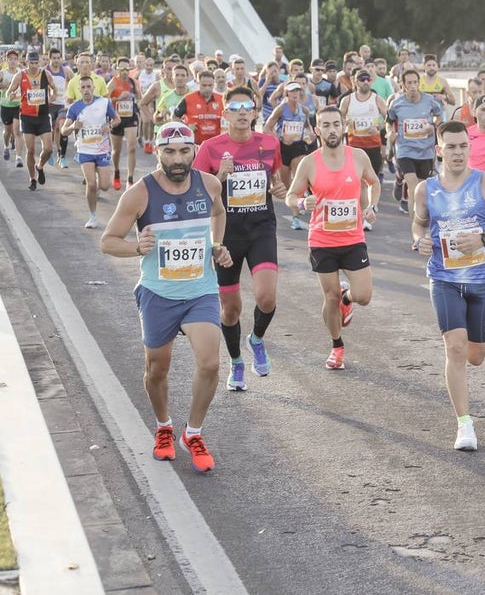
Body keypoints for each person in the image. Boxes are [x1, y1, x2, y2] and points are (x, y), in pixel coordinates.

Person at [99, 121, 232, 474]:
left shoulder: (209, 184)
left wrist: (216, 246)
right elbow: (107, 241)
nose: (177, 159)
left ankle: (194, 432)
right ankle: (163, 426)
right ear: (157, 151)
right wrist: (135, 247)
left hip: (200, 290)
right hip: (158, 292)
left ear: (193, 152)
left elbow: (218, 213)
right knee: (157, 370)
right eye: (169, 152)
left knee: (210, 363)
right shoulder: (139, 194)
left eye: (184, 151)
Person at [412, 121, 485, 451]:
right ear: (439, 150)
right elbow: (418, 224)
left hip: (483, 280)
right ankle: (464, 425)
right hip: (443, 278)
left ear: (468, 149)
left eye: (462, 146)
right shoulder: (425, 190)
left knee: (476, 355)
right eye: (451, 146)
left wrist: (483, 239)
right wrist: (420, 241)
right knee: (455, 347)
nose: (457, 152)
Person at [192, 87, 286, 391]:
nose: (243, 112)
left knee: (266, 297)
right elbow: (194, 196)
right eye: (235, 107)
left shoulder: (270, 143)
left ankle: (256, 339)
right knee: (230, 309)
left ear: (256, 112)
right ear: (225, 114)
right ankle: (236, 362)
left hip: (261, 227)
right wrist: (219, 176)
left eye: (248, 106)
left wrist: (279, 189)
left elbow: (276, 179)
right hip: (226, 233)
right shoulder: (210, 148)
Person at [284, 106, 380, 370]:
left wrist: (372, 207)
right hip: (322, 240)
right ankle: (337, 346)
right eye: (325, 125)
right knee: (330, 296)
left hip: (352, 237)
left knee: (364, 295)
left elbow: (374, 182)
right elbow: (290, 196)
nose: (332, 130)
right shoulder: (309, 162)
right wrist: (303, 203)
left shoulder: (358, 157)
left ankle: (348, 301)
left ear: (344, 126)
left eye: (336, 124)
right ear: (317, 130)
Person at [60, 76, 120, 228]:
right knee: (91, 184)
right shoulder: (74, 107)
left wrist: (109, 125)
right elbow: (63, 131)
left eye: (89, 87)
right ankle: (92, 216)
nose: (86, 90)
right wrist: (74, 126)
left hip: (102, 150)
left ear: (93, 88)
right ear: (79, 90)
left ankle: (99, 185)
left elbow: (117, 119)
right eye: (83, 87)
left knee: (105, 186)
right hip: (85, 150)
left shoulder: (104, 103)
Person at [387, 68, 444, 216]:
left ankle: (419, 219)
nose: (412, 86)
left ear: (419, 84)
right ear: (403, 85)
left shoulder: (429, 100)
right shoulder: (397, 104)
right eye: (409, 83)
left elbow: (439, 116)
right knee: (413, 186)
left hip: (425, 150)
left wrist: (433, 126)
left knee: (421, 188)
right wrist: (390, 132)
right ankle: (415, 227)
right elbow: (389, 121)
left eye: (415, 82)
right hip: (405, 150)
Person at [264, 79, 316, 231]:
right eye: (292, 92)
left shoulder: (304, 110)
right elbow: (267, 128)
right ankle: (296, 214)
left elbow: (308, 128)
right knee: (287, 185)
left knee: (299, 170)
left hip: (298, 147)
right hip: (283, 148)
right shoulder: (281, 109)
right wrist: (280, 138)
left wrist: (311, 135)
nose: (295, 94)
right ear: (286, 94)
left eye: (297, 91)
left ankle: (299, 211)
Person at [5, 50, 56, 191]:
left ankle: (39, 166)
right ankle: (32, 179)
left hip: (43, 116)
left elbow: (54, 89)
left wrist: (52, 95)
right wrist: (12, 94)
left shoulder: (46, 74)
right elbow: (9, 92)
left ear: (39, 62)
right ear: (26, 62)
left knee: (49, 149)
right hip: (27, 117)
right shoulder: (19, 75)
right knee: (31, 150)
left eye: (36, 62)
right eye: (31, 63)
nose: (34, 66)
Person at [107, 57, 141, 189]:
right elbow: (105, 100)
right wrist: (117, 98)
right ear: (117, 70)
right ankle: (116, 173)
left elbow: (139, 98)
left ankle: (130, 179)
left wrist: (137, 97)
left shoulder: (133, 82)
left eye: (127, 69)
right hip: (117, 118)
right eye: (122, 69)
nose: (125, 72)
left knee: (132, 148)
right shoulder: (113, 82)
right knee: (116, 150)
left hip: (130, 117)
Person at [174, 70, 224, 145]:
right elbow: (175, 117)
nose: (207, 88)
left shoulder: (221, 99)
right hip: (194, 144)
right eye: (204, 85)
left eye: (210, 85)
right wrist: (186, 127)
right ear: (197, 84)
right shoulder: (188, 99)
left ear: (214, 84)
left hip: (216, 144)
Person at [1, 50, 23, 165]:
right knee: (7, 131)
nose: (13, 61)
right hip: (5, 105)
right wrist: (3, 85)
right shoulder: (3, 73)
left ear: (17, 61)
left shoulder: (20, 73)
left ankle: (18, 158)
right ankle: (6, 146)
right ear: (6, 60)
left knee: (17, 130)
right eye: (10, 59)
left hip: (18, 105)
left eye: (15, 59)